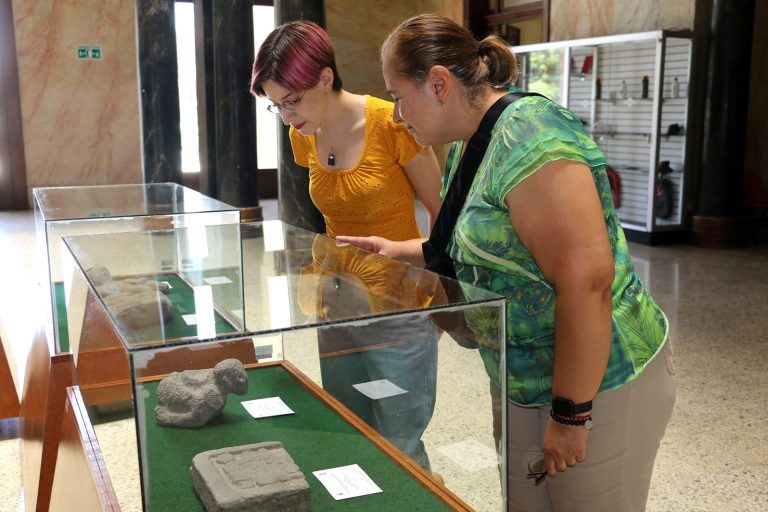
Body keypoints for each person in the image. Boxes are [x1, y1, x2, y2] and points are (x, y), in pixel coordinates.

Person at [336, 13, 676, 511]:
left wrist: (571, 415)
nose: (395, 113)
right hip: (522, 378)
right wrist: (394, 251)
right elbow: (463, 244)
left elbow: (587, 283)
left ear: (438, 83)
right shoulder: (471, 141)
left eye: (396, 95)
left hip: (598, 384)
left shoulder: (531, 136)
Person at [250, 20, 443, 472]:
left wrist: (436, 299)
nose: (286, 116)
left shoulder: (391, 124)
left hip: (397, 304)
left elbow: (443, 218)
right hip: (335, 301)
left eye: (292, 101)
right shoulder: (303, 133)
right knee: (344, 426)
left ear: (326, 77)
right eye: (275, 106)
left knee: (400, 441)